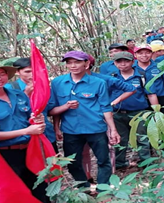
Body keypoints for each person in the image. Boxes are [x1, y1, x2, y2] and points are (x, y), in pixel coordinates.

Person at [0, 60, 50, 203]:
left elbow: (28, 118)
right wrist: (26, 131)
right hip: (4, 154)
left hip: (31, 150)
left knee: (40, 189)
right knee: (15, 194)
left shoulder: (18, 95)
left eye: (2, 74)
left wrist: (37, 119)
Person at [50, 51, 121, 187]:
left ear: (86, 64)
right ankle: (84, 189)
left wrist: (113, 130)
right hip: (71, 130)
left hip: (96, 128)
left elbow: (106, 107)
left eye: (77, 62)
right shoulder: (58, 83)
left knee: (103, 161)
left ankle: (103, 190)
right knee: (73, 162)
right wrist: (56, 127)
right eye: (69, 63)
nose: (73, 66)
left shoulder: (98, 83)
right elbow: (53, 109)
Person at [111, 52, 158, 169]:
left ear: (133, 62)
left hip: (138, 112)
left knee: (142, 138)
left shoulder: (141, 76)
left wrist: (156, 112)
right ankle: (119, 164)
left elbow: (151, 94)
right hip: (117, 114)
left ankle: (146, 163)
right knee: (119, 140)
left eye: (126, 61)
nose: (123, 64)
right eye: (119, 61)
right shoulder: (112, 77)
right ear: (114, 63)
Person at [5, 57, 58, 153]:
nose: (32, 74)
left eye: (35, 71)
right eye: (27, 71)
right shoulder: (9, 89)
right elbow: (10, 112)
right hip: (24, 138)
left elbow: (50, 110)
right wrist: (25, 95)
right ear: (17, 72)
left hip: (47, 134)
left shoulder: (44, 87)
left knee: (54, 165)